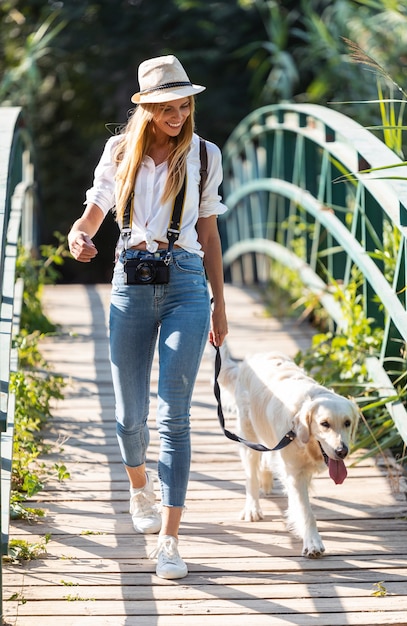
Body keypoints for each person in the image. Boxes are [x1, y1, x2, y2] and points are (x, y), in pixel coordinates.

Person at [67, 54, 228, 580]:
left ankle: (170, 540)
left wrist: (219, 306)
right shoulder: (120, 150)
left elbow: (208, 234)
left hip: (185, 283)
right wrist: (80, 234)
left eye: (185, 105)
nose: (179, 115)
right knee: (128, 416)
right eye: (168, 107)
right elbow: (96, 207)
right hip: (130, 283)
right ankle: (140, 488)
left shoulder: (205, 155)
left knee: (175, 414)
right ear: (147, 107)